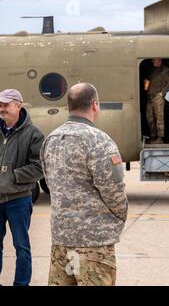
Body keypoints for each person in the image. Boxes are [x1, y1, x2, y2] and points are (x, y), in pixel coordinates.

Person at [40, 83, 128, 286]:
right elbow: (114, 191)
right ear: (95, 105)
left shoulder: (51, 139)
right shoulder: (99, 141)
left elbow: (51, 184)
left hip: (62, 240)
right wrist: (118, 217)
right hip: (93, 244)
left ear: (69, 106)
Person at [0, 89, 44, 286]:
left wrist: (12, 177)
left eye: (6, 105)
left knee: (21, 247)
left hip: (18, 200)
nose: (1, 109)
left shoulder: (34, 134)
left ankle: (21, 284)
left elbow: (40, 166)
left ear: (18, 105)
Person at [144, 58, 169, 144]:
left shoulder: (165, 70)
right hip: (150, 97)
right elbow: (147, 81)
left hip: (158, 97)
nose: (152, 61)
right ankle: (153, 137)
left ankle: (160, 138)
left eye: (154, 60)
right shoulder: (152, 71)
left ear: (159, 60)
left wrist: (162, 93)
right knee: (149, 117)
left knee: (159, 118)